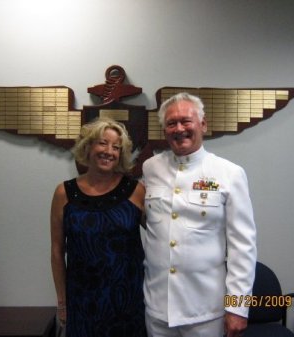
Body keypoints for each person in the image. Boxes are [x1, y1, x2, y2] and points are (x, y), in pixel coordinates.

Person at [142, 92, 257, 337]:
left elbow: (242, 246)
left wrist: (237, 308)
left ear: (203, 125)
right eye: (171, 123)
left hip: (205, 310)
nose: (179, 128)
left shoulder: (229, 173)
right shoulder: (151, 168)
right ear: (165, 130)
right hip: (158, 307)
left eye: (186, 121)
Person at [50, 117, 147, 337]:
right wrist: (62, 303)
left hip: (128, 301)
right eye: (102, 143)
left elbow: (163, 235)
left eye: (116, 147)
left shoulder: (136, 190)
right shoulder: (64, 193)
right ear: (88, 146)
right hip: (82, 302)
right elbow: (57, 252)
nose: (109, 151)